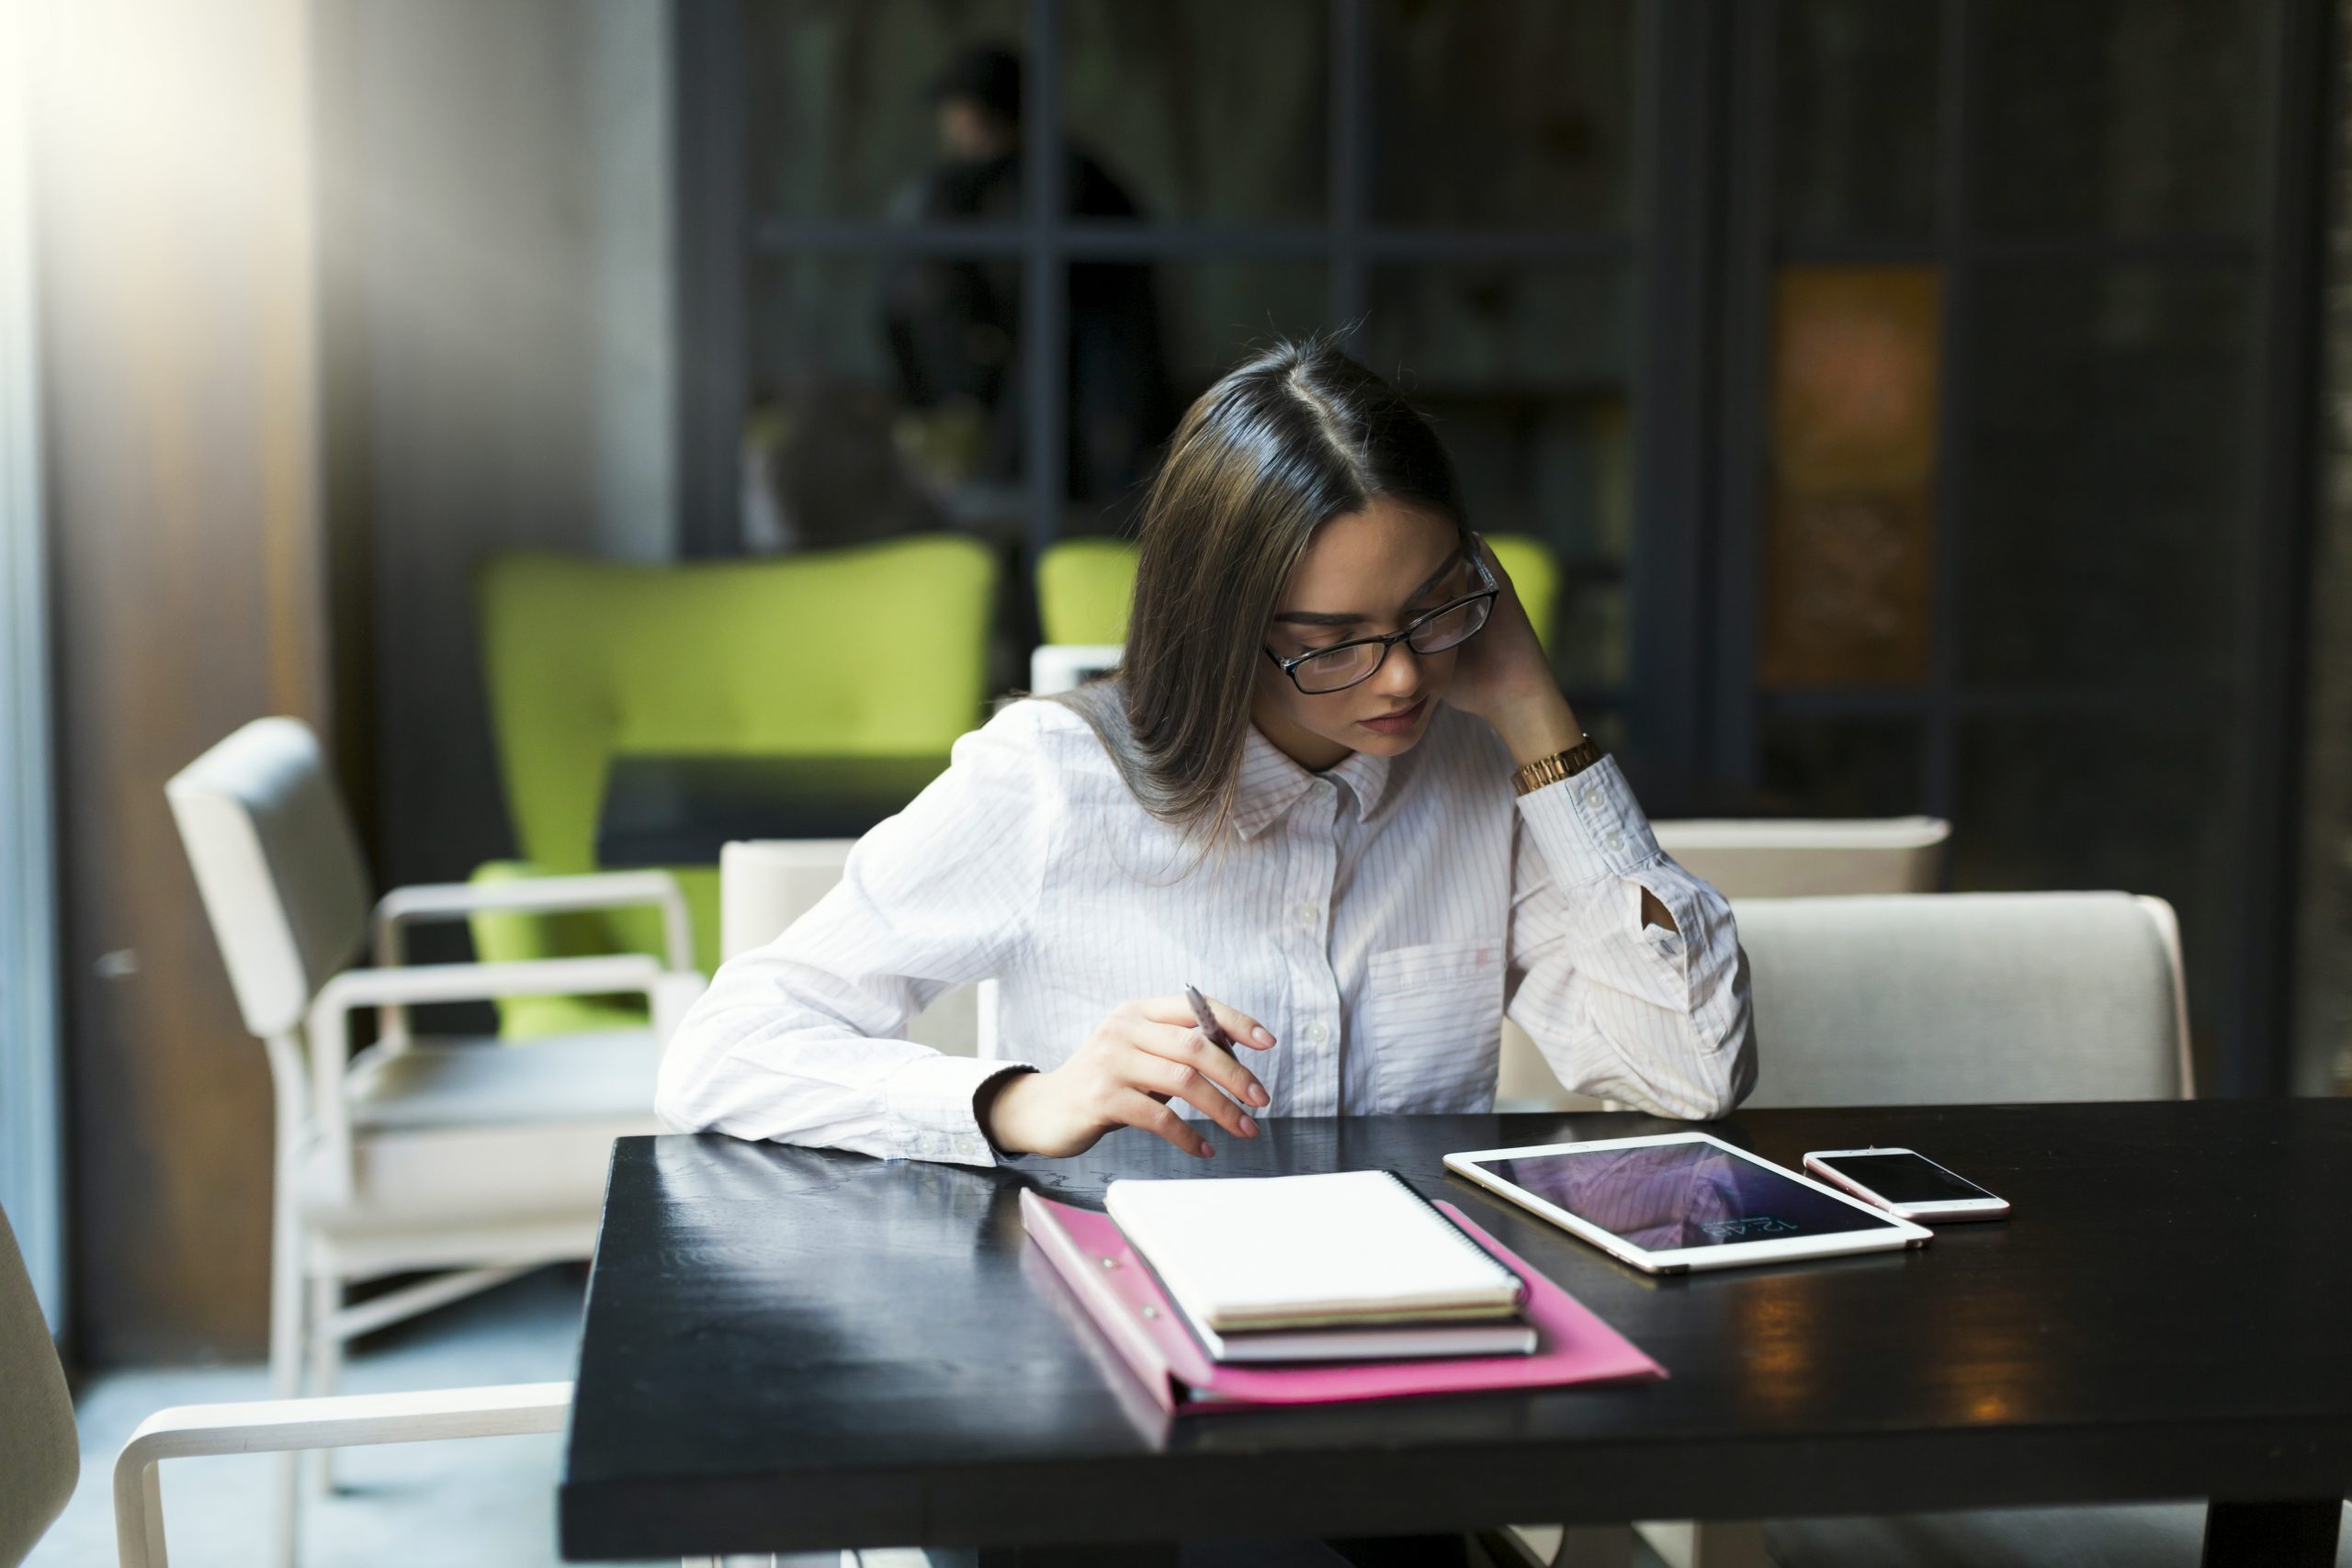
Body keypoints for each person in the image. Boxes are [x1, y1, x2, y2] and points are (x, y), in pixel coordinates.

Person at [660, 337, 1756, 1165]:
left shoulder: (1475, 771)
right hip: (1117, 1356)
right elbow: (720, 1052)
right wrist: (1014, 1099)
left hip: (1420, 1333)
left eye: (1434, 609)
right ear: (1224, 623)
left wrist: (1528, 701)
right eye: (1333, 644)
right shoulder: (1051, 782)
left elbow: (1693, 1076)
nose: (1405, 677)